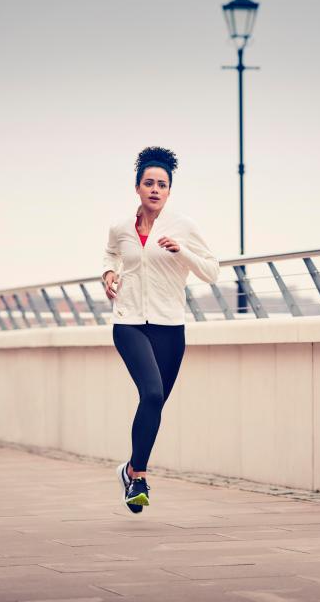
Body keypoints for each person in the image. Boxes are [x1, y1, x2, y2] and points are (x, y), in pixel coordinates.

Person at [101, 146, 220, 513]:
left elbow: (212, 271)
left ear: (169, 191)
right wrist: (107, 273)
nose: (155, 189)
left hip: (170, 326)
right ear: (137, 187)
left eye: (162, 184)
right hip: (129, 323)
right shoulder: (121, 227)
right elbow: (110, 253)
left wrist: (180, 251)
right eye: (149, 183)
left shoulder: (183, 227)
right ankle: (139, 477)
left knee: (155, 403)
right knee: (152, 394)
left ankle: (130, 470)